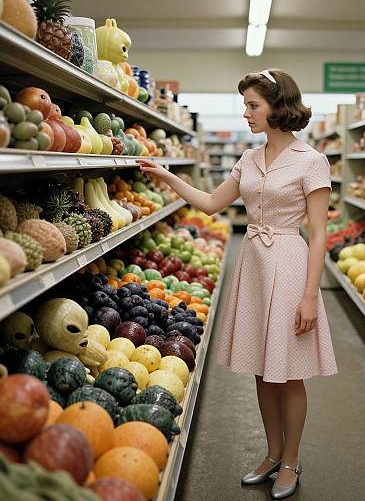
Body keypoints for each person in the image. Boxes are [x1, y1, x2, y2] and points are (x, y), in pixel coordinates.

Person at [137, 68, 337, 500]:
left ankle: (292, 460)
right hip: (252, 263)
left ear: (277, 107)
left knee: (289, 372)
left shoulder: (311, 161)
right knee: (263, 371)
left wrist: (309, 296)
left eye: (253, 105)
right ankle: (271, 452)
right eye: (245, 104)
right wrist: (167, 177)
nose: (245, 113)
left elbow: (319, 234)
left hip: (289, 261)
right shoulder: (248, 158)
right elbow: (211, 204)